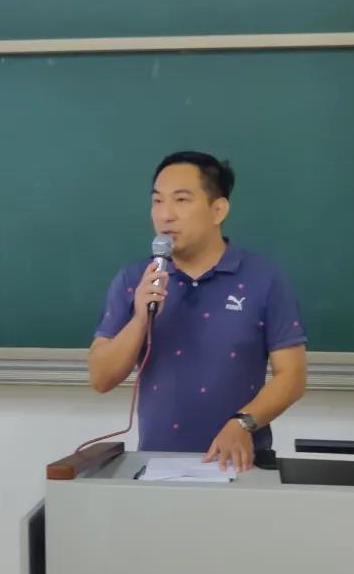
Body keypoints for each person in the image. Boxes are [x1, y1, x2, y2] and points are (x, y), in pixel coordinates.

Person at [88, 151, 307, 472]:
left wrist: (243, 423)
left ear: (218, 210)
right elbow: (101, 378)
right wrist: (140, 318)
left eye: (181, 200)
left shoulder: (264, 279)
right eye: (157, 201)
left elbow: (292, 377)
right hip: (157, 468)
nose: (165, 215)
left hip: (241, 467)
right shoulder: (135, 280)